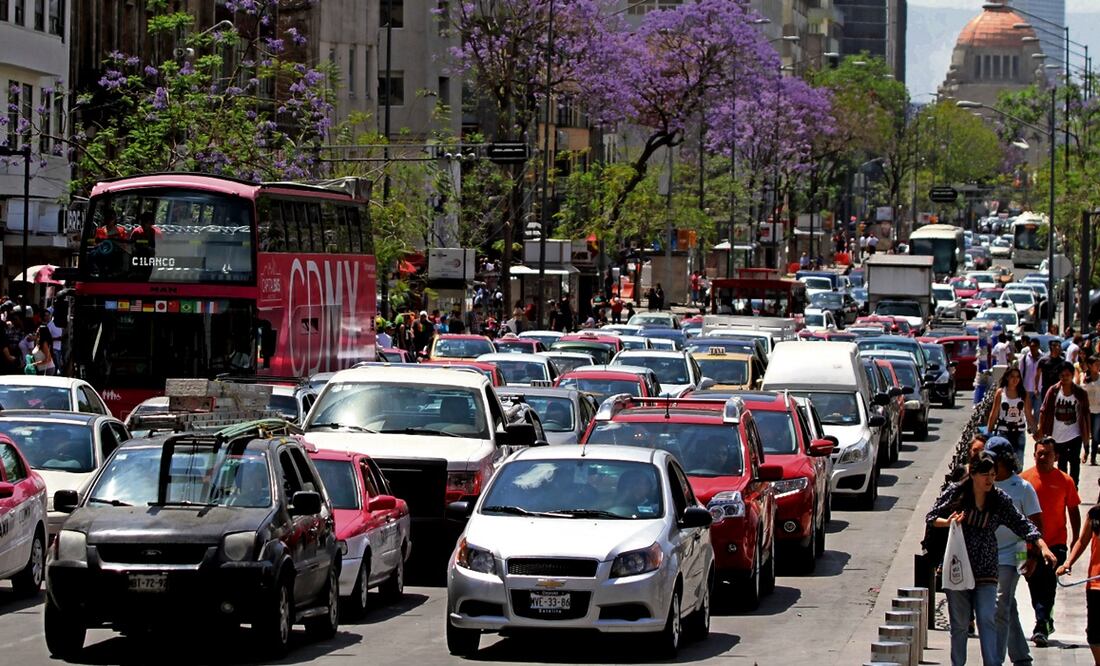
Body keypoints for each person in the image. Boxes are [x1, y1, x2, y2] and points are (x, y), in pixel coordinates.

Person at [926, 452, 1056, 666]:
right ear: (974, 474)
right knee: (959, 624)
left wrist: (1042, 547)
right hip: (959, 564)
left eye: (993, 475)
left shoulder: (999, 499)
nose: (989, 479)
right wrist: (948, 522)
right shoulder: (957, 492)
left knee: (988, 618)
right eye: (985, 474)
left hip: (987, 567)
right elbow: (931, 518)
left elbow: (1022, 524)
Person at [1021, 437, 1083, 646]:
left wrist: (1076, 538)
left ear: (1056, 457)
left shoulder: (1065, 481)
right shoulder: (1024, 480)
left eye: (1047, 453)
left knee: (1048, 584)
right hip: (1027, 545)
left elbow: (1073, 510)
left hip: (1056, 543)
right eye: (1039, 453)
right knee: (1032, 582)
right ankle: (1045, 618)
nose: (1042, 457)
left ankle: (1041, 625)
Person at [986, 437, 1042, 666]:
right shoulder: (984, 484)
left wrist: (1033, 557)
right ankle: (1021, 656)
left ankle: (994, 660)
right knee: (1007, 605)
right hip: (988, 554)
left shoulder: (1023, 488)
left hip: (1016, 553)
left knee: (1000, 602)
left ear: (1005, 461)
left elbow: (1037, 524)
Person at [1054, 485, 1100, 664]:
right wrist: (1067, 563)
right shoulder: (1095, 515)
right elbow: (1082, 541)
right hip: (1095, 582)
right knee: (1095, 630)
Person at [1038, 361, 1091, 488]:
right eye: (1062, 375)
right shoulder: (1053, 391)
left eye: (1067, 375)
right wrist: (1041, 430)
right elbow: (1043, 411)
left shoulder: (1080, 393)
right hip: (1057, 436)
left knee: (1074, 462)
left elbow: (1086, 414)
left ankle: (1074, 487)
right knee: (1061, 463)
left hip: (1075, 435)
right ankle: (1063, 488)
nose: (1065, 378)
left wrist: (1086, 438)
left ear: (1072, 375)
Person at [987, 367, 1036, 463]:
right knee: (1004, 461)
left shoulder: (1023, 393)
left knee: (1018, 462)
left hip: (1019, 431)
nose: (1015, 379)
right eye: (1012, 376)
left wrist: (1035, 431)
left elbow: (1028, 414)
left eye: (1017, 377)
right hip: (1004, 431)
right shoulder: (1000, 393)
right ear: (1007, 378)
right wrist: (988, 433)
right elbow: (994, 413)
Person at [1021, 338, 1044, 423]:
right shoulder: (1024, 358)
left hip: (1039, 388)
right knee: (1027, 409)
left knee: (1037, 409)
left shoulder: (1043, 358)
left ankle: (1035, 425)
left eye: (1034, 346)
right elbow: (1021, 372)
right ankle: (1029, 425)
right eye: (1031, 346)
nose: (1032, 348)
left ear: (1038, 346)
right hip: (1027, 388)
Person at [1036, 339, 1065, 404]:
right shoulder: (1043, 360)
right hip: (1046, 388)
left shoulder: (1062, 360)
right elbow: (1037, 375)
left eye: (1059, 346)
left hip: (1058, 389)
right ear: (1050, 347)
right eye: (1055, 346)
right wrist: (1036, 388)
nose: (1057, 347)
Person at [1085, 355, 1100, 465]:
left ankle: (1093, 456)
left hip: (1098, 411)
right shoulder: (1084, 378)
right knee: (1085, 434)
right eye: (1096, 365)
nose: (1098, 366)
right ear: (1090, 366)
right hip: (1086, 411)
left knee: (1095, 435)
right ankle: (1086, 452)